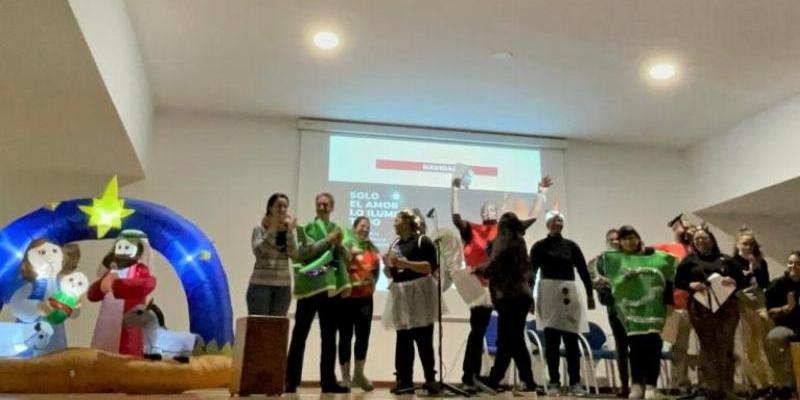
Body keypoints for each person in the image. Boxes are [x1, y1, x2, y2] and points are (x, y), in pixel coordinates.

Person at [450, 175, 551, 390]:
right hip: (484, 290)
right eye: (485, 209)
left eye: (493, 209)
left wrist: (542, 193)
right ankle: (474, 376)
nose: (489, 212)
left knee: (509, 337)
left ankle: (503, 378)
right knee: (491, 334)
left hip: (506, 292)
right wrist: (455, 191)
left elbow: (531, 218)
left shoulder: (507, 234)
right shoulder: (477, 230)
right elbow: (456, 218)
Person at [285, 192, 351, 394]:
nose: (322, 208)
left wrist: (338, 244)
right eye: (319, 205)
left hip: (330, 288)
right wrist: (328, 241)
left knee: (329, 336)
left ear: (331, 207)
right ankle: (290, 380)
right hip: (310, 286)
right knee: (300, 334)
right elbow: (303, 254)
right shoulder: (307, 229)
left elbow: (347, 259)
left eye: (325, 205)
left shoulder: (340, 231)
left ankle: (328, 381)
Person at [603, 226, 677, 399]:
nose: (629, 242)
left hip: (654, 310)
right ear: (620, 242)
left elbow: (668, 279)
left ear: (638, 238)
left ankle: (652, 386)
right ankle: (636, 384)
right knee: (635, 348)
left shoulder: (655, 257)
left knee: (654, 346)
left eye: (632, 237)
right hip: (631, 311)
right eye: (625, 239)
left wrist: (669, 302)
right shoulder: (616, 260)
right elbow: (610, 282)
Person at [472, 212, 542, 395]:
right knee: (516, 341)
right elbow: (527, 271)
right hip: (521, 296)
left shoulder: (504, 241)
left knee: (505, 340)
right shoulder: (520, 241)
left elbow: (494, 265)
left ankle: (494, 380)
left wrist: (477, 269)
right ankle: (529, 381)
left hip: (510, 297)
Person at [675, 226, 745, 400]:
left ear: (712, 240)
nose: (700, 241)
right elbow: (679, 282)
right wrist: (691, 285)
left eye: (704, 238)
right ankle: (709, 388)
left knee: (726, 345)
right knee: (708, 346)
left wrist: (733, 280)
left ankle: (727, 388)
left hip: (727, 307)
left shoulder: (726, 260)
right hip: (700, 307)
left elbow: (743, 281)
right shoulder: (689, 261)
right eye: (697, 239)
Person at [530, 210, 594, 396]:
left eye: (559, 220)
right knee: (551, 341)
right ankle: (554, 381)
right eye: (553, 220)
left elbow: (582, 270)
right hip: (548, 294)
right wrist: (530, 298)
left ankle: (575, 381)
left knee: (571, 340)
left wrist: (589, 294)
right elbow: (532, 272)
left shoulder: (571, 246)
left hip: (569, 292)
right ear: (547, 224)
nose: (556, 223)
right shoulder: (539, 247)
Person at [383, 209, 440, 395]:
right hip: (401, 293)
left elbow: (429, 267)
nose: (394, 222)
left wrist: (405, 264)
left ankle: (430, 379)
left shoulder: (423, 241)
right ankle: (404, 379)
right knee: (403, 339)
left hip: (420, 294)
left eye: (397, 219)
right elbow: (393, 272)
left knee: (423, 338)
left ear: (407, 221)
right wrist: (389, 266)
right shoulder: (395, 243)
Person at [88, 230, 157, 357]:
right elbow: (93, 294)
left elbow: (145, 284)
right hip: (107, 319)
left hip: (129, 318)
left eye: (127, 247)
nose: (123, 251)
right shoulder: (111, 270)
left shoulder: (139, 270)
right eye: (120, 247)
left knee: (128, 349)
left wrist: (117, 285)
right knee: (103, 348)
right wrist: (100, 287)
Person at [653, 214, 695, 394]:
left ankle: (684, 382)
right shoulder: (667, 248)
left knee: (684, 346)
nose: (685, 229)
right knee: (676, 345)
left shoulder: (695, 250)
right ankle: (677, 383)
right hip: (674, 304)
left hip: (695, 303)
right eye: (682, 226)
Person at [337, 216, 379, 391]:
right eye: (362, 226)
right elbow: (340, 263)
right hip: (347, 298)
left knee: (363, 337)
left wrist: (373, 283)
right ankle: (345, 377)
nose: (366, 229)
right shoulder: (346, 242)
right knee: (345, 337)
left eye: (368, 227)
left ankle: (359, 375)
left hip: (365, 299)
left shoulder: (372, 247)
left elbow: (376, 271)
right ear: (354, 228)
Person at [589, 228, 630, 397]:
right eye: (611, 239)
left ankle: (640, 384)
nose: (614, 241)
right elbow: (592, 279)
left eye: (617, 238)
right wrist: (602, 283)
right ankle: (625, 385)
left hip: (635, 309)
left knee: (637, 347)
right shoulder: (600, 261)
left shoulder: (633, 258)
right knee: (621, 347)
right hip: (614, 308)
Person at [731, 228, 772, 391]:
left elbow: (765, 284)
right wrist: (748, 272)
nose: (748, 247)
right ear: (737, 245)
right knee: (748, 343)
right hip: (742, 304)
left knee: (762, 342)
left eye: (751, 244)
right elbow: (735, 286)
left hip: (759, 304)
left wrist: (755, 267)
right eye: (744, 244)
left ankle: (767, 381)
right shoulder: (732, 262)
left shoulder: (761, 262)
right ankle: (753, 383)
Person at [247, 193, 297, 317]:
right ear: (270, 208)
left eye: (285, 207)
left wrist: (289, 232)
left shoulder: (287, 231)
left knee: (276, 329)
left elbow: (294, 254)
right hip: (260, 286)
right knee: (260, 327)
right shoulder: (259, 229)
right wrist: (273, 229)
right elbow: (259, 251)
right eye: (279, 206)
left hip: (283, 286)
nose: (283, 210)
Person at [764, 251, 800, 399]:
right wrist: (786, 308)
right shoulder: (778, 284)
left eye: (798, 263)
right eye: (791, 262)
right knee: (774, 338)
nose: (794, 266)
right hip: (787, 326)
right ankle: (784, 386)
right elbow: (769, 312)